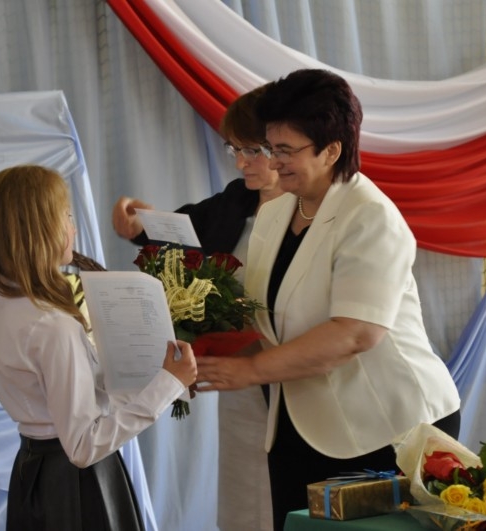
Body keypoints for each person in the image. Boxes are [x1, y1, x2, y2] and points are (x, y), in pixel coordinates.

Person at [195, 69, 462, 531]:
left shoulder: (370, 216)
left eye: (285, 150)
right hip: (298, 422)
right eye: (270, 147)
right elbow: (263, 316)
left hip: (387, 426)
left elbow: (355, 333)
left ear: (332, 150)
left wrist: (251, 371)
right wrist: (200, 353)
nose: (273, 162)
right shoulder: (277, 212)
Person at [0, 164, 197, 531]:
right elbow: (83, 445)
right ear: (40, 230)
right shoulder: (53, 325)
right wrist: (168, 384)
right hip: (76, 486)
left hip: (34, 472)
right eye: (66, 216)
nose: (73, 228)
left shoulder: (6, 305)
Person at [113, 85, 282, 531]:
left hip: (296, 371)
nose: (241, 162)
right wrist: (137, 225)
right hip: (240, 377)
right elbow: (181, 229)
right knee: (246, 499)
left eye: (253, 150)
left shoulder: (314, 210)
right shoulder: (236, 199)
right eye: (235, 150)